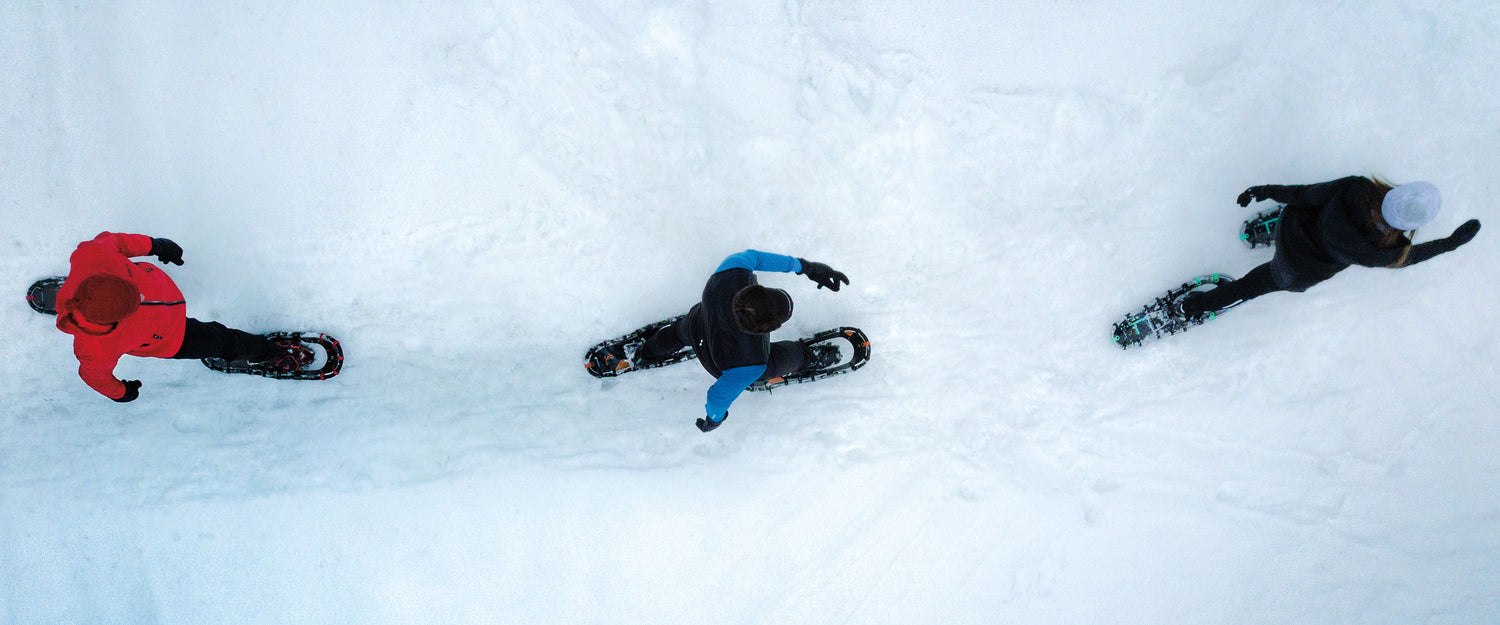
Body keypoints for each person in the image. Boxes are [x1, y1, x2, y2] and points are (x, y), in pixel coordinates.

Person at [55, 231, 310, 402]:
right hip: (169, 338)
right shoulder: (94, 348)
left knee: (75, 296)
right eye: (135, 305)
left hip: (165, 292)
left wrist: (155, 245)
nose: (141, 298)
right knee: (222, 341)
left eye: (134, 292)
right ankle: (273, 353)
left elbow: (117, 242)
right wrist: (121, 392)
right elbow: (94, 376)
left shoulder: (93, 255)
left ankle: (64, 299)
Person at [1175, 177, 1481, 318]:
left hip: (1288, 229)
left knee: (1304, 210)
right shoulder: (1384, 250)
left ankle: (1267, 229)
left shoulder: (1357, 189)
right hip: (1296, 270)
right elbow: (1410, 258)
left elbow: (1304, 194)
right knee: (1248, 286)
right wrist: (1450, 244)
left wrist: (1263, 191)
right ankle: (1191, 307)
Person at [629, 249, 850, 433]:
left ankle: (644, 353)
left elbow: (755, 256)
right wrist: (714, 419)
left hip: (697, 322)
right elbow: (717, 396)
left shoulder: (731, 273)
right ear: (768, 329)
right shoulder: (749, 362)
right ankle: (807, 356)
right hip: (717, 362)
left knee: (678, 332)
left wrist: (805, 267)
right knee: (774, 363)